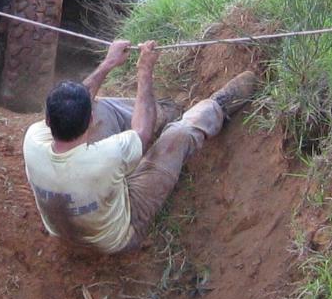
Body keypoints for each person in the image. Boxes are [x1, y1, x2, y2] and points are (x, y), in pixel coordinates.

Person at [22, 40, 257, 254]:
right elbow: (142, 132)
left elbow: (84, 98)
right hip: (121, 236)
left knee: (101, 106)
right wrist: (145, 70)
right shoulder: (108, 155)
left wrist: (108, 63)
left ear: (49, 120)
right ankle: (218, 106)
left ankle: (167, 109)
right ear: (89, 120)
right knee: (177, 135)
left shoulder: (32, 140)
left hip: (65, 231)